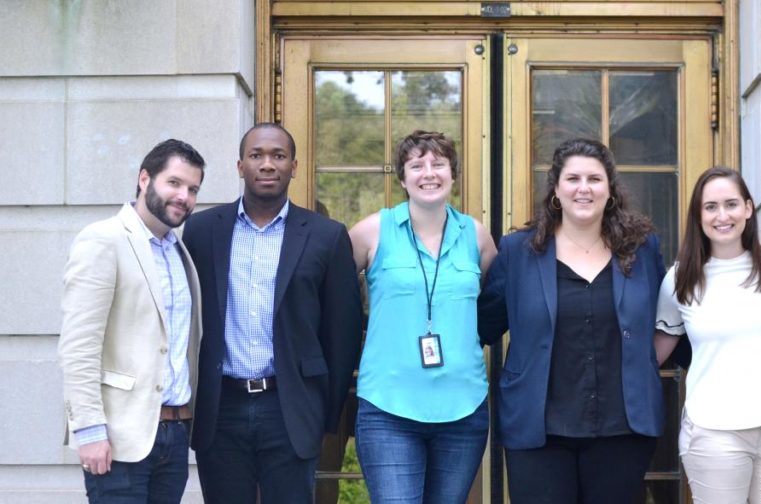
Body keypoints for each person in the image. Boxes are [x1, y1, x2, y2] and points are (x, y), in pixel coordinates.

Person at [182, 123, 364, 503]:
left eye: (278, 156)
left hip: (290, 407)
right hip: (221, 408)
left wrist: (323, 412)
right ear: (239, 166)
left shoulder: (326, 236)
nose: (268, 164)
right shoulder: (200, 231)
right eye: (257, 155)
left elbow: (342, 333)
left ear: (294, 166)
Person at [478, 138, 665, 503]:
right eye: (573, 178)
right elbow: (481, 326)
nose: (584, 188)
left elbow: (667, 320)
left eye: (594, 179)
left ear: (610, 190)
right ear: (556, 189)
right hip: (538, 430)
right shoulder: (519, 251)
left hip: (623, 429)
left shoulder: (643, 250)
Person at [348, 130, 497, 503]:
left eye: (439, 164)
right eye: (417, 165)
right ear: (402, 178)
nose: (428, 173)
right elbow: (334, 302)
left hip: (463, 409)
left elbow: (495, 306)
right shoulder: (371, 232)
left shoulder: (477, 237)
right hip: (388, 408)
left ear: (453, 174)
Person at [58, 139, 206, 503]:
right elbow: (79, 345)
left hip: (174, 433)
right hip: (120, 437)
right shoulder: (103, 240)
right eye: (174, 183)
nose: (184, 196)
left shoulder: (179, 251)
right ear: (144, 178)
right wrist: (90, 431)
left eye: (193, 189)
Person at [653, 167, 761, 503]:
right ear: (699, 215)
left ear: (748, 209)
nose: (722, 215)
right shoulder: (680, 279)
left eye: (731, 204)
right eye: (711, 207)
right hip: (712, 432)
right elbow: (660, 348)